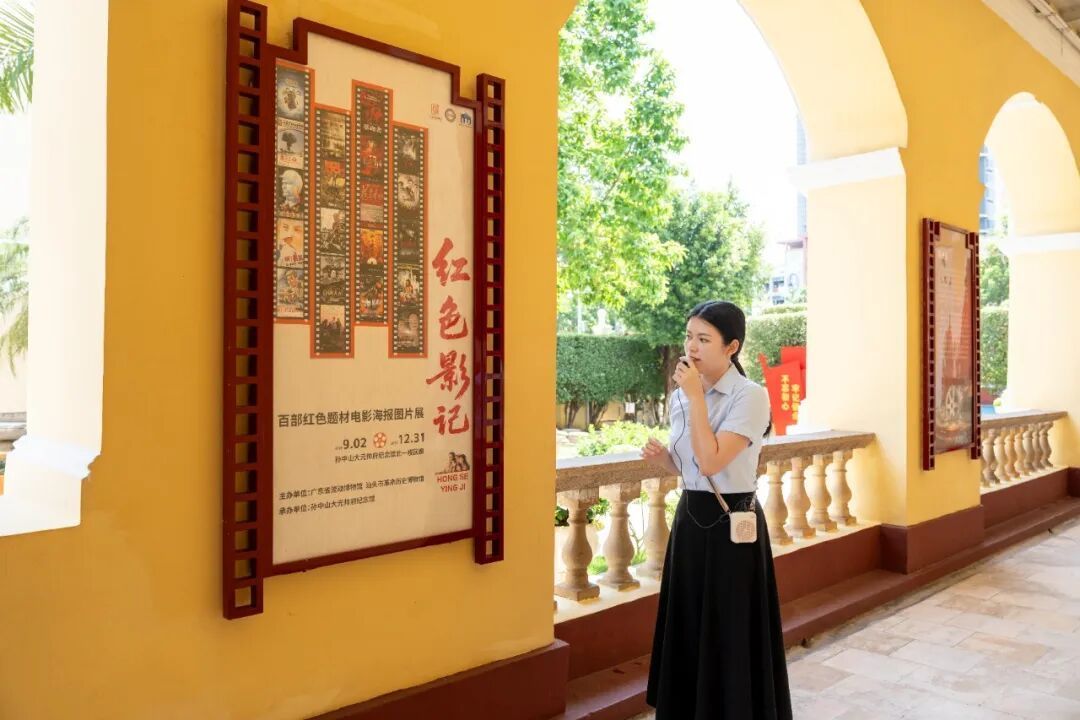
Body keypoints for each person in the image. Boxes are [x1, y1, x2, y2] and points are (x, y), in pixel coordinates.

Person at [640, 300, 791, 720]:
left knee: (730, 627)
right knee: (688, 622)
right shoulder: (682, 398)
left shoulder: (750, 396)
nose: (692, 347)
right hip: (691, 519)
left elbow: (711, 461)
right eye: (689, 336)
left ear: (732, 347)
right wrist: (663, 459)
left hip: (733, 525)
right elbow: (690, 468)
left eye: (704, 339)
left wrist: (696, 398)